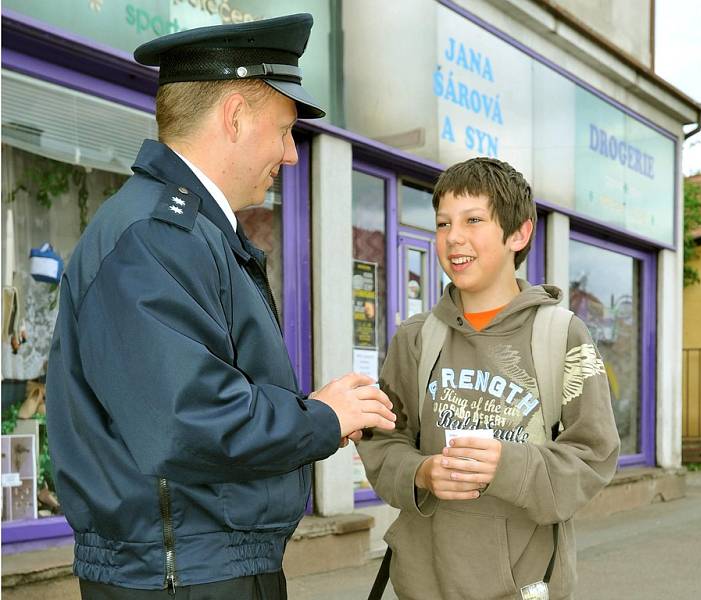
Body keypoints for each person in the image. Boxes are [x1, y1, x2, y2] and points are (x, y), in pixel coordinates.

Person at [46, 14, 396, 599]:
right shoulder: (157, 235)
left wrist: (313, 417)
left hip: (196, 563)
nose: (290, 155)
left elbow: (193, 400)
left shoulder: (183, 232)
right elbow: (187, 420)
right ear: (234, 117)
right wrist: (321, 418)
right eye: (285, 130)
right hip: (187, 574)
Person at [357, 157, 620, 600]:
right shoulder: (416, 337)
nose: (453, 237)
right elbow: (381, 440)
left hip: (523, 585)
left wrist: (507, 466)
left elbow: (594, 455)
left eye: (473, 219)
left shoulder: (562, 334)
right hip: (423, 583)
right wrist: (421, 472)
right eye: (443, 224)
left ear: (519, 233)